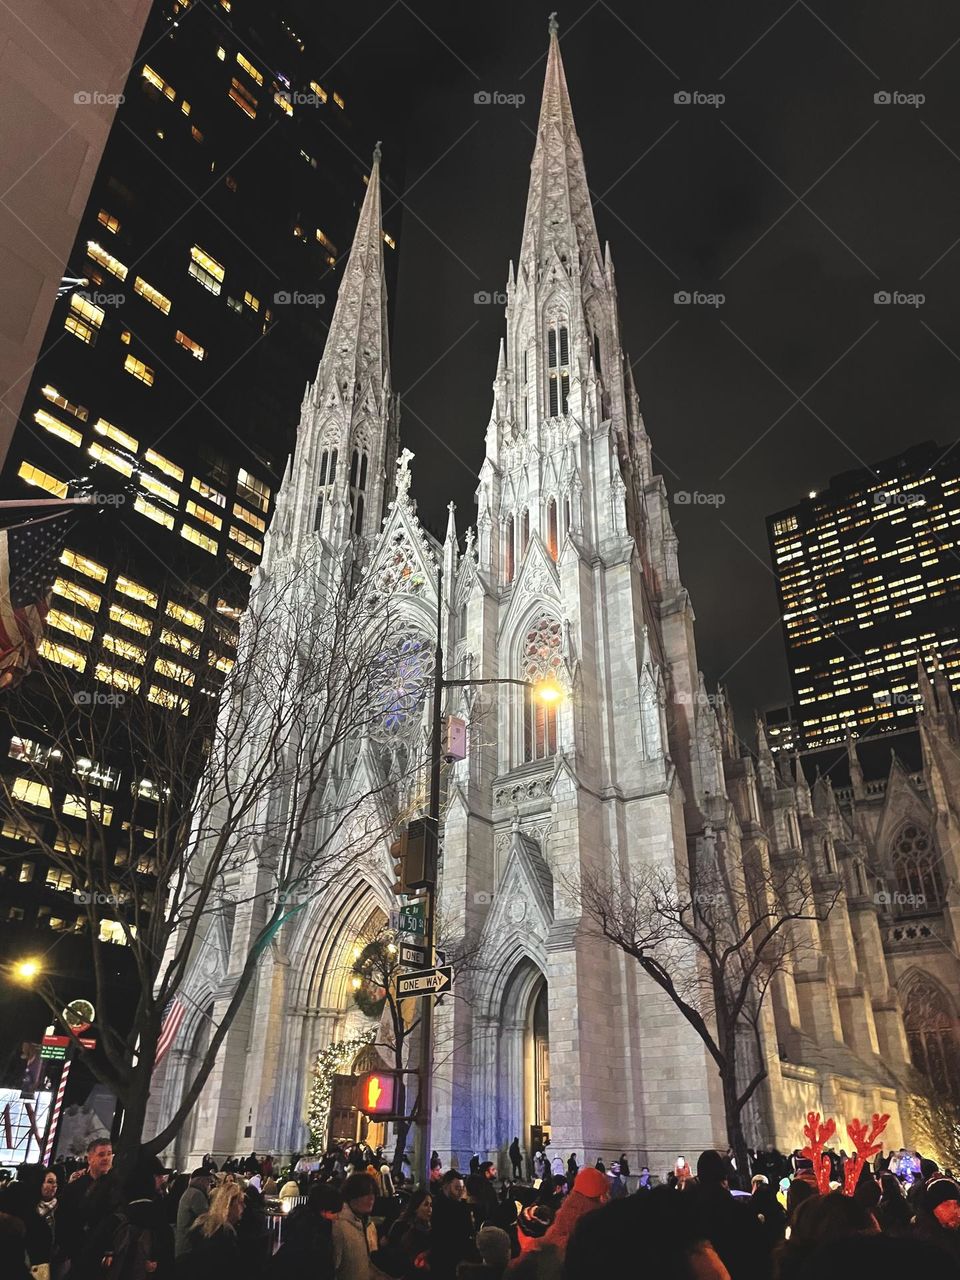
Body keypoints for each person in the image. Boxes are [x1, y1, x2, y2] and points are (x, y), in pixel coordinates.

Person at [57, 1137, 119, 1277]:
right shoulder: (75, 1187)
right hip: (77, 1251)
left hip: (103, 1254)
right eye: (101, 1154)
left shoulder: (117, 1187)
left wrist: (109, 1251)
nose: (106, 1158)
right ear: (90, 1158)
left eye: (109, 1154)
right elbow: (64, 1218)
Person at [271, 1182, 341, 1279]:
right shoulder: (316, 1233)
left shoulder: (299, 1220)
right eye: (333, 1213)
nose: (337, 1217)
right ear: (323, 1210)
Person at [178, 1180, 246, 1276]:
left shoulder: (203, 1223)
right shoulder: (225, 1231)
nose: (244, 1206)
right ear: (230, 1203)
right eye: (240, 1202)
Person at [2, 1164, 59, 1272]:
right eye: (49, 1182)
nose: (54, 1186)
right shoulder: (37, 1222)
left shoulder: (12, 1196)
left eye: (55, 1182)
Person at [332, 1173, 379, 1280]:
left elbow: (366, 1267)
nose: (371, 1198)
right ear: (352, 1195)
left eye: (373, 1193)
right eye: (365, 1193)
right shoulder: (339, 1226)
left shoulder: (367, 1225)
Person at [431, 1170, 474, 1280]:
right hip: (445, 1258)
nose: (460, 1192)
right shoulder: (440, 1206)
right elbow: (466, 1229)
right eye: (457, 1188)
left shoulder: (455, 1204)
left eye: (462, 1188)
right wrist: (464, 1203)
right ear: (446, 1187)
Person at [387, 1186, 431, 1271]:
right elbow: (392, 1252)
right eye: (426, 1205)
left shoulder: (430, 1229)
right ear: (416, 1207)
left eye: (431, 1205)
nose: (430, 1209)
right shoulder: (400, 1226)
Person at [175, 1169, 212, 1256]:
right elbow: (207, 1218)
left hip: (184, 1244)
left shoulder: (190, 1192)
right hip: (189, 1247)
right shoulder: (196, 1194)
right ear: (202, 1181)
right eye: (208, 1181)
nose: (209, 1185)